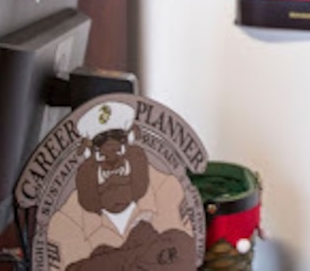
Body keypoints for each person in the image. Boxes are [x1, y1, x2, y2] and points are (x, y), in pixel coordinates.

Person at [46, 100, 197, 270]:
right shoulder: (65, 219)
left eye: (119, 150)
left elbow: (183, 251)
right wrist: (147, 247)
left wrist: (105, 260)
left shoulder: (167, 188)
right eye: (101, 155)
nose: (113, 163)